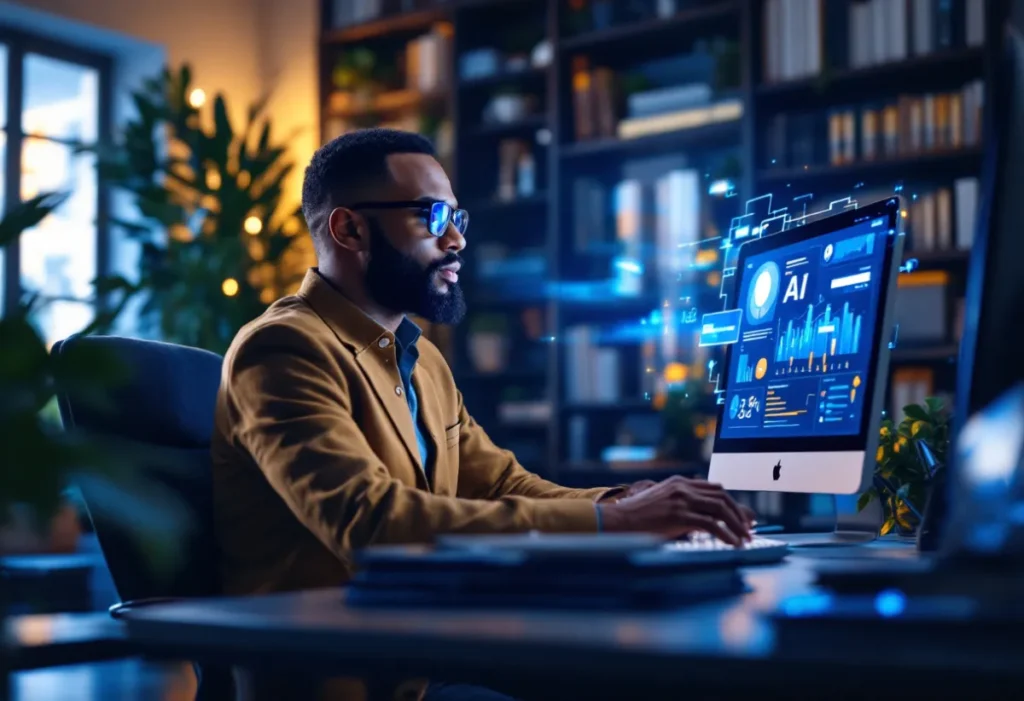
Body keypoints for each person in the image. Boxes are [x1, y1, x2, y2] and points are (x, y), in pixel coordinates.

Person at [211, 128, 754, 701]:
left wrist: (623, 503)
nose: (456, 241)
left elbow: (500, 484)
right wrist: (616, 525)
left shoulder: (422, 365)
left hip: (425, 662)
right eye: (432, 215)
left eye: (457, 218)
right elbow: (370, 524)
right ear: (349, 229)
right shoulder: (282, 350)